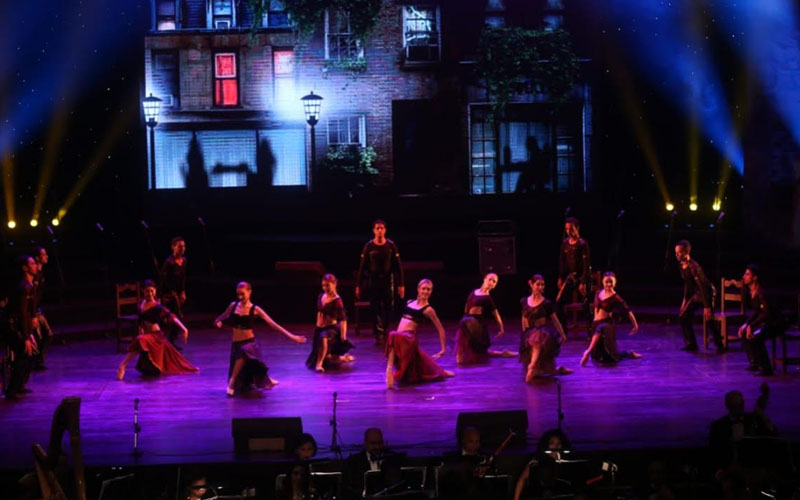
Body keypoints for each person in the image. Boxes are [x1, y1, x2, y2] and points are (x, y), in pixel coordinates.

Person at [214, 281, 306, 396]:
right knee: (252, 367)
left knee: (243, 353)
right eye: (238, 294)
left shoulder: (255, 309)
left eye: (242, 294)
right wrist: (218, 321)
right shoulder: (233, 306)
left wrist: (292, 337)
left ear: (249, 292)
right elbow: (222, 316)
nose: (240, 297)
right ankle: (266, 379)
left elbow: (273, 324)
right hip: (236, 343)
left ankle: (231, 384)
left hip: (249, 343)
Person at [116, 280, 197, 381]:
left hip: (156, 337)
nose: (150, 294)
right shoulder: (141, 303)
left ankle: (122, 365)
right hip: (147, 336)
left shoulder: (157, 306)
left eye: (152, 291)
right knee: (141, 340)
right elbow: (141, 319)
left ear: (155, 291)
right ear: (143, 291)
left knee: (140, 339)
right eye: (147, 291)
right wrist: (140, 328)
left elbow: (172, 316)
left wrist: (184, 328)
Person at [385, 279, 454, 388]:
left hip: (409, 338)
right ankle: (440, 371)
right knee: (419, 359)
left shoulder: (428, 309)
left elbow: (440, 328)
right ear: (418, 289)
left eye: (428, 289)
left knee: (392, 335)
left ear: (431, 291)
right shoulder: (409, 302)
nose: (425, 291)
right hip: (400, 338)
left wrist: (443, 349)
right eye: (423, 289)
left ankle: (388, 371)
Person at [355, 219, 405, 344]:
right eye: (377, 228)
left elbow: (398, 266)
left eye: (382, 228)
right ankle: (378, 333)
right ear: (374, 230)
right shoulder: (369, 246)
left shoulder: (391, 246)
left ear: (385, 230)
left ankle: (386, 329)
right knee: (375, 308)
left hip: (388, 281)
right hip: (373, 281)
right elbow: (362, 267)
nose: (379, 230)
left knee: (388, 307)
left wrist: (401, 284)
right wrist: (358, 285)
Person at [580, 272, 641, 366]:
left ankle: (587, 352)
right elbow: (596, 308)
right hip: (596, 323)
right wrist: (594, 322)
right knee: (603, 357)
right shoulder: (598, 293)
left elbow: (627, 311)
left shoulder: (615, 297)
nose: (608, 284)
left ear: (615, 283)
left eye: (611, 282)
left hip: (607, 324)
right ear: (603, 282)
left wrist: (635, 325)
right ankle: (628, 353)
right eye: (606, 282)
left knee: (601, 328)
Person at [519, 274, 571, 381]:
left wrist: (562, 334)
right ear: (531, 284)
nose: (540, 287)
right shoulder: (524, 301)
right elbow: (523, 318)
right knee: (540, 372)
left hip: (542, 333)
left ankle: (532, 366)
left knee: (537, 337)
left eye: (542, 285)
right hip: (529, 332)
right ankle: (558, 369)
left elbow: (555, 320)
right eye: (538, 284)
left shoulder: (546, 303)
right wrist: (524, 334)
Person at [674, 240, 723, 352]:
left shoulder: (694, 267)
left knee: (709, 317)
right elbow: (687, 284)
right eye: (676, 252)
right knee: (683, 316)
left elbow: (703, 286)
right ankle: (691, 344)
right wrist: (684, 300)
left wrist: (707, 306)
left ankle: (720, 344)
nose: (677, 255)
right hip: (697, 294)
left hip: (707, 293)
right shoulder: (681, 266)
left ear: (686, 252)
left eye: (680, 252)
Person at [455, 273, 513, 365]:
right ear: (484, 279)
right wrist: (466, 316)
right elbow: (467, 305)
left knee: (480, 350)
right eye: (490, 279)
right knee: (464, 343)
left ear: (495, 285)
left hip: (476, 322)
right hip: (467, 319)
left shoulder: (487, 298)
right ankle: (501, 353)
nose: (491, 282)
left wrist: (501, 328)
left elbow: (496, 314)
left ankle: (502, 353)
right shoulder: (474, 291)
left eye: (494, 281)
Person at [739, 265, 785, 376]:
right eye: (745, 274)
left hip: (776, 323)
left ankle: (766, 369)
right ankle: (754, 362)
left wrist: (751, 325)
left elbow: (766, 313)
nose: (744, 276)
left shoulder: (761, 293)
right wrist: (747, 324)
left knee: (755, 336)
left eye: (747, 274)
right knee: (744, 332)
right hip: (767, 322)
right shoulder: (751, 292)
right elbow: (757, 312)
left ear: (755, 278)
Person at [4, 256, 39, 400]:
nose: (35, 265)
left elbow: (29, 312)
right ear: (25, 268)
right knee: (24, 353)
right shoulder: (23, 287)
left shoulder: (30, 285)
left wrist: (29, 333)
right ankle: (12, 390)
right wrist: (26, 337)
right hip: (12, 326)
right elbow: (22, 314)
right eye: (32, 264)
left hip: (20, 326)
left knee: (31, 354)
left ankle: (19, 386)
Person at [306, 274, 354, 373]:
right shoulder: (321, 296)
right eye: (323, 285)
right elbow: (320, 312)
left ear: (334, 284)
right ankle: (343, 358)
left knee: (324, 339)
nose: (325, 288)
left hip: (330, 329)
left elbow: (343, 319)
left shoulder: (337, 300)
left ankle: (319, 365)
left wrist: (343, 336)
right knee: (327, 357)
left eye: (327, 285)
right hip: (319, 329)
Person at [556, 217, 591, 335]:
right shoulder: (565, 243)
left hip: (582, 278)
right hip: (571, 278)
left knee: (587, 304)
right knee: (559, 302)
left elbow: (586, 265)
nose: (569, 231)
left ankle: (591, 331)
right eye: (567, 229)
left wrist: (583, 282)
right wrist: (561, 277)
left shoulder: (583, 244)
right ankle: (563, 330)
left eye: (571, 229)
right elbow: (562, 262)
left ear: (577, 228)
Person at [344, 428, 388, 498]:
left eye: (379, 443)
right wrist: (362, 495)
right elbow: (347, 487)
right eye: (373, 443)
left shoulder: (391, 458)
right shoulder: (353, 462)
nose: (377, 447)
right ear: (365, 443)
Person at [160, 236, 187, 349]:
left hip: (177, 294)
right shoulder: (169, 262)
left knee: (177, 317)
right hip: (168, 295)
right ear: (173, 247)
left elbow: (183, 278)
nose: (182, 248)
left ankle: (171, 341)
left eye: (183, 246)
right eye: (179, 246)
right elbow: (163, 280)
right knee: (175, 317)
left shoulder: (184, 261)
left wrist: (182, 292)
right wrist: (166, 295)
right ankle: (167, 341)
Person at [32, 246, 53, 370]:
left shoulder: (40, 273)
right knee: (39, 336)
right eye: (43, 254)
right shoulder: (34, 275)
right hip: (33, 310)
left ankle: (39, 361)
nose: (46, 256)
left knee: (47, 334)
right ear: (37, 258)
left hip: (37, 308)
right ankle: (35, 362)